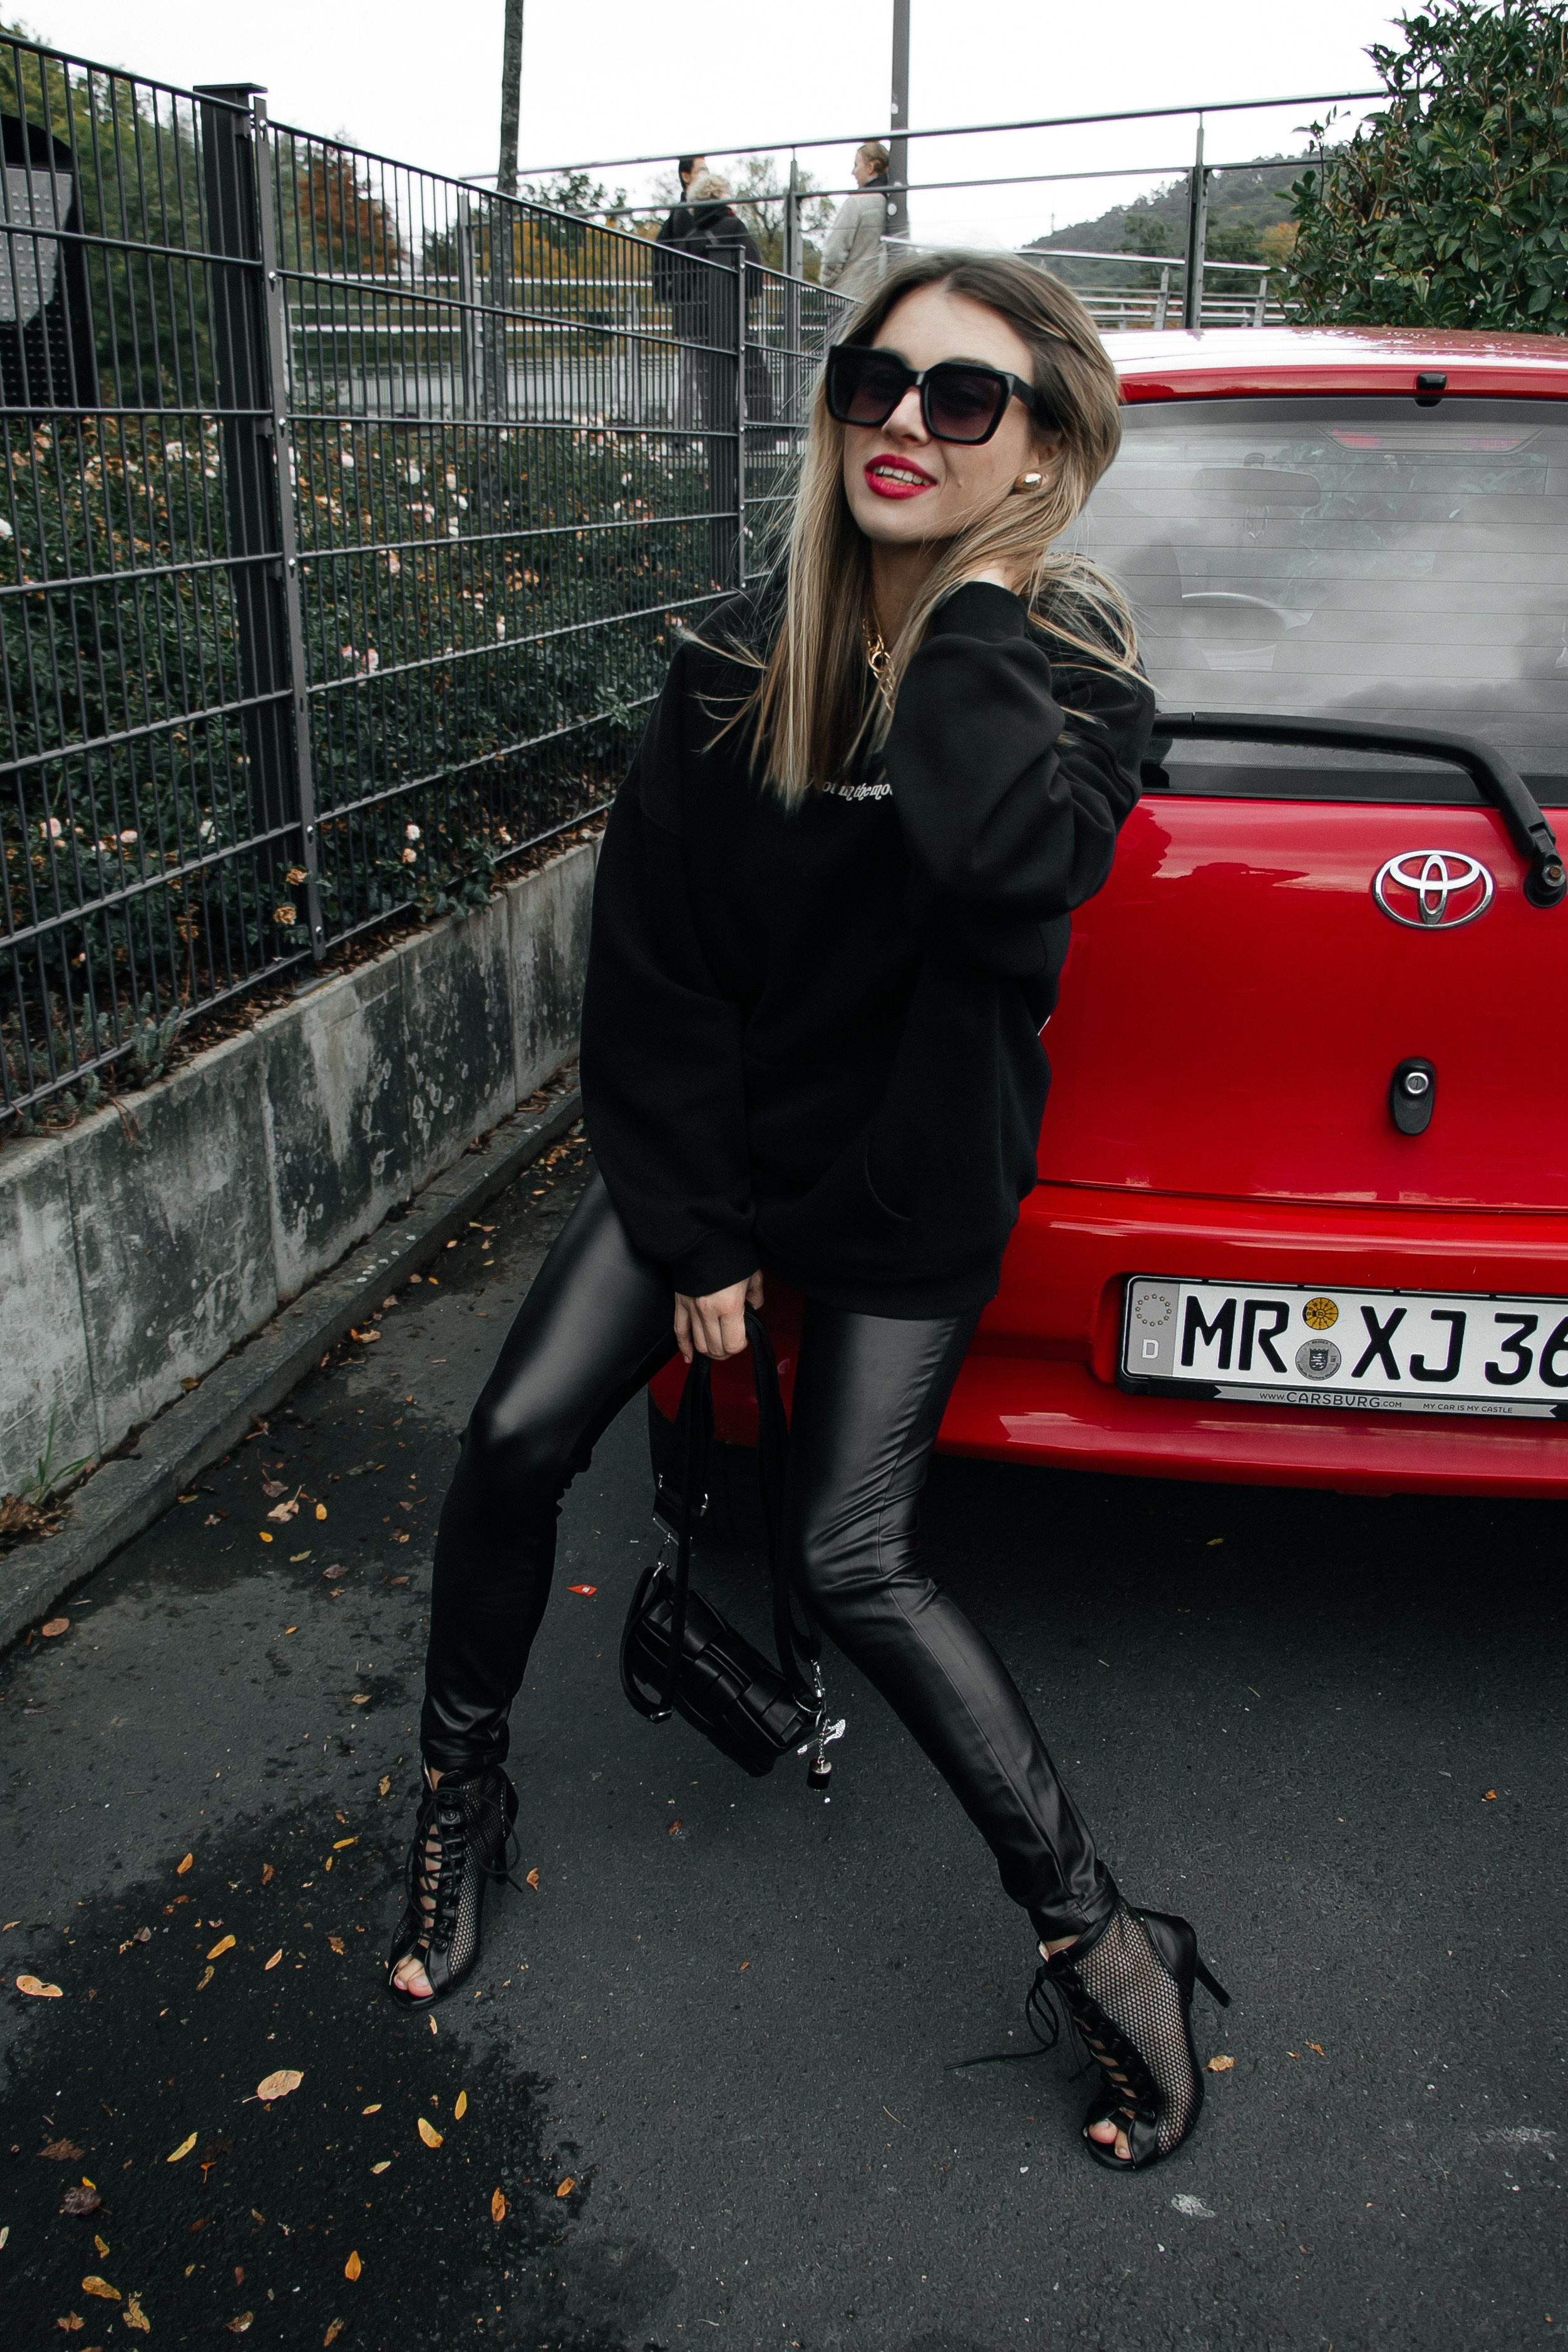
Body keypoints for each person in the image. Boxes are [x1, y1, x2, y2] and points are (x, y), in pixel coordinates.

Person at [387, 249, 1230, 2175]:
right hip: (721, 1165)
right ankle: (459, 1782)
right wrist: (693, 1238)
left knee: (856, 1561)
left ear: (1042, 450)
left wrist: (970, 617)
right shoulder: (726, 668)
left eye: (964, 399)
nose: (902, 422)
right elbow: (655, 973)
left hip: (907, 1185)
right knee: (516, 1437)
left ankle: (1102, 1936)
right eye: (875, 381)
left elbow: (1007, 875)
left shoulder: (1070, 688)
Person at [820, 140, 894, 306]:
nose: (853, 172)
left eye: (857, 164)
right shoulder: (893, 205)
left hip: (847, 297)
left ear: (870, 167)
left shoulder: (857, 202)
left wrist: (827, 282)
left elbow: (835, 250)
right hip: (878, 299)